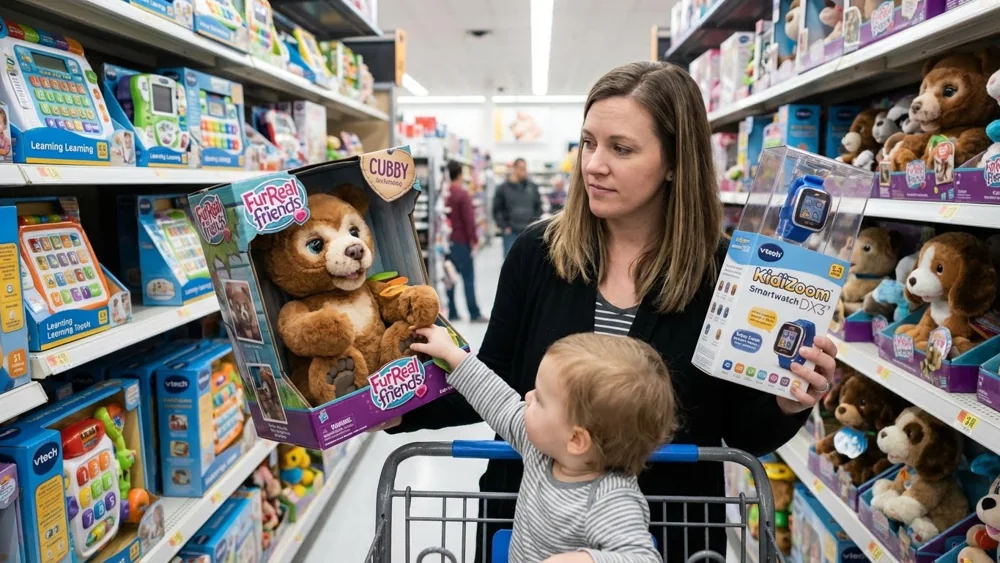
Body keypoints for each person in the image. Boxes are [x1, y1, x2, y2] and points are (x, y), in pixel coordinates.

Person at [385, 61, 838, 562]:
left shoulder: (728, 274)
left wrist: (788, 401)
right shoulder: (538, 253)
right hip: (528, 522)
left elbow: (742, 430)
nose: (594, 164)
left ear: (674, 162)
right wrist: (384, 408)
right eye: (588, 143)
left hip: (670, 526)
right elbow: (495, 380)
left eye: (621, 149)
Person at [411, 329, 674, 562]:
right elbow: (500, 402)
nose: (527, 396)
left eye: (540, 398)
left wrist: (585, 559)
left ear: (576, 440)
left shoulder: (611, 498)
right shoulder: (540, 450)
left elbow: (643, 557)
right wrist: (453, 356)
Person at [444, 160, 486, 322]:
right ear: (460, 174)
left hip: (447, 242)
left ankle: (453, 312)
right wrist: (474, 240)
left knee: (450, 277)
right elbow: (469, 220)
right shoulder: (462, 194)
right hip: (462, 241)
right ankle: (473, 312)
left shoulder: (444, 193)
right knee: (468, 278)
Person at [493, 157, 543, 256]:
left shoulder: (532, 187)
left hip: (529, 231)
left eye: (525, 168)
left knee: (529, 261)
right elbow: (497, 209)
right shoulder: (503, 188)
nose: (524, 171)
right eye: (521, 169)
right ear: (514, 169)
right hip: (511, 232)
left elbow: (538, 207)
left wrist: (535, 223)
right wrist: (504, 226)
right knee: (510, 262)